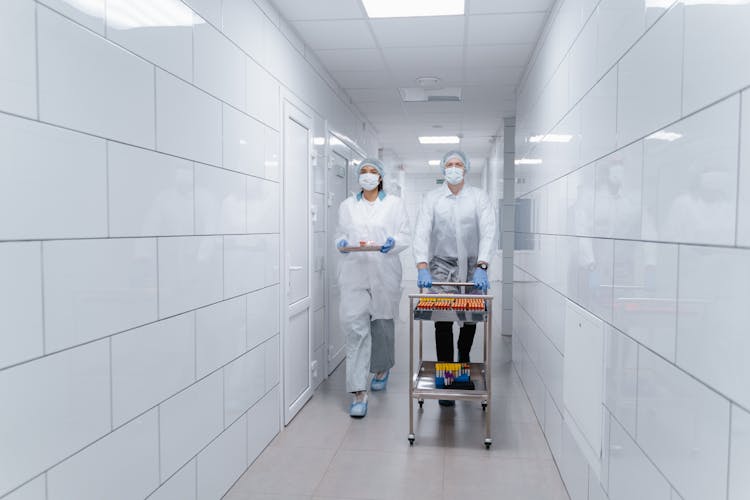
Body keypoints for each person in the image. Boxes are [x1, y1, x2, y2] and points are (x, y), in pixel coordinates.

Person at [413, 150, 496, 406]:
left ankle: (464, 356)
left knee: (470, 319)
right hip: (441, 266)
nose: (454, 168)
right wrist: (422, 266)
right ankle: (447, 376)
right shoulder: (432, 198)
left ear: (466, 168)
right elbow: (422, 231)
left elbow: (489, 229)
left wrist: (483, 265)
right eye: (449, 164)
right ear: (443, 169)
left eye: (458, 164)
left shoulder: (478, 197)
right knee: (443, 320)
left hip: (473, 267)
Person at [335, 158, 411, 418]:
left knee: (382, 324)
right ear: (359, 177)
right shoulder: (347, 206)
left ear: (380, 177)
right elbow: (340, 234)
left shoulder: (394, 204)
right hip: (355, 272)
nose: (367, 176)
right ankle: (359, 392)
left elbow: (405, 235)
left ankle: (381, 368)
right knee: (356, 329)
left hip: (384, 272)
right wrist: (342, 242)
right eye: (363, 172)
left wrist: (395, 242)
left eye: (373, 172)